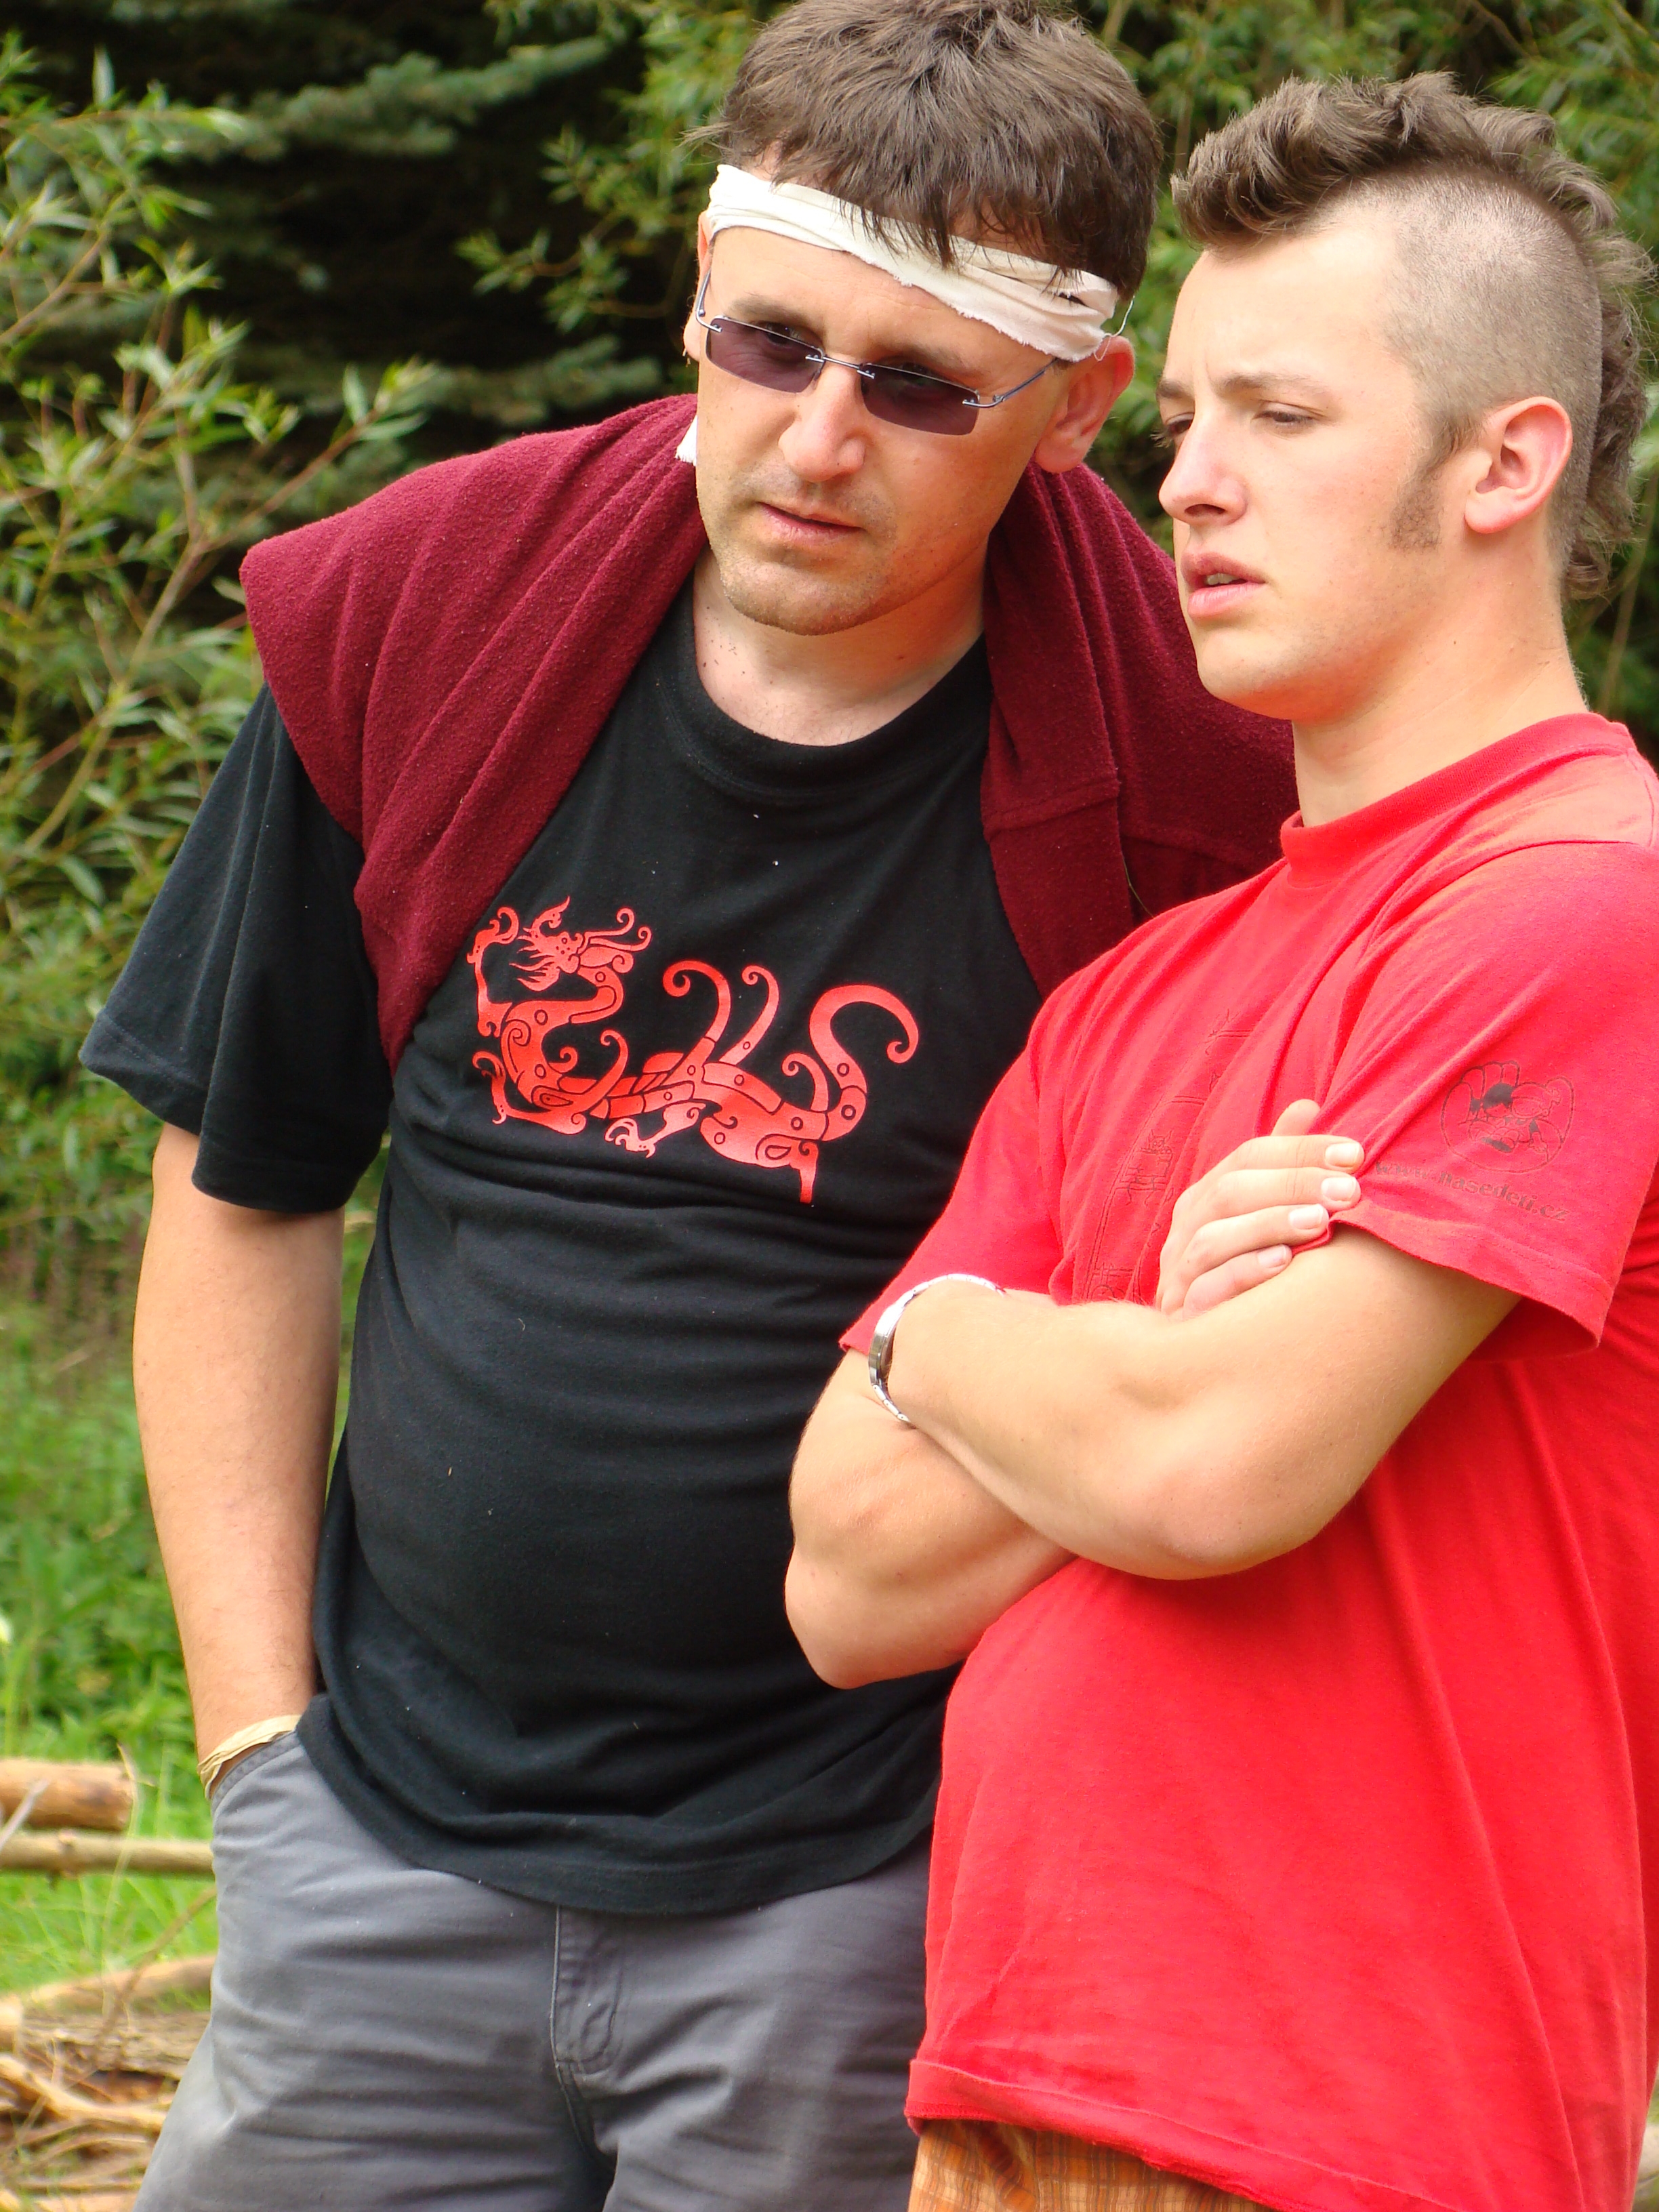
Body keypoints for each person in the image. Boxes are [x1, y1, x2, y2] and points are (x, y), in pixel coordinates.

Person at [81, 3, 1324, 2207]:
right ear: (697, 292)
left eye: (918, 385)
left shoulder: (1195, 781)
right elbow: (248, 1176)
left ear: (1075, 409)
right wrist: (260, 1760)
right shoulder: (430, 618)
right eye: (768, 344)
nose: (817, 440)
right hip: (375, 1850)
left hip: (860, 1891)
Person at [790, 71, 1659, 2212]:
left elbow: (1213, 1473)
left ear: (1505, 462)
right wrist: (1141, 1338)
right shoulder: (1131, 994)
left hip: (1357, 2127)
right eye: (1183, 418)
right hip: (1004, 2096)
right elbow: (843, 1573)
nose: (1190, 481)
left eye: (1280, 415)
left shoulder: (1584, 907)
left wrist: (948, 1341)